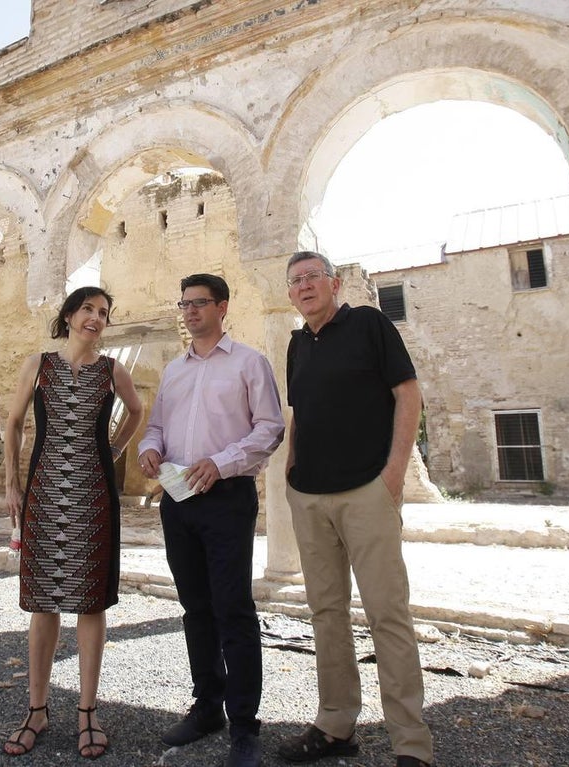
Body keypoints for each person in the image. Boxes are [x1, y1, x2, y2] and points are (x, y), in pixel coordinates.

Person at [278, 252, 434, 767]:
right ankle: (336, 723)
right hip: (311, 495)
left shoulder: (368, 323)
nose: (304, 286)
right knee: (326, 614)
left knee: (387, 614)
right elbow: (301, 411)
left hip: (367, 489)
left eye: (312, 277)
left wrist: (392, 475)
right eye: (295, 280)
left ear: (334, 283)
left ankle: (411, 745)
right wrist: (293, 468)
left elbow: (408, 395)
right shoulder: (297, 344)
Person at [137, 273, 284, 767]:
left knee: (233, 610)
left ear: (223, 307)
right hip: (178, 500)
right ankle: (207, 708)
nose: (190, 311)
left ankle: (245, 726)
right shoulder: (174, 371)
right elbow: (154, 425)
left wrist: (220, 463)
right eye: (185, 304)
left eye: (200, 303)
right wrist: (150, 448)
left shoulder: (249, 363)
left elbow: (270, 428)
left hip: (226, 497)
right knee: (195, 608)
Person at [1, 286, 143, 759]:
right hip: (44, 493)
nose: (96, 318)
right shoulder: (38, 365)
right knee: (43, 602)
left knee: (90, 602)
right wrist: (12, 484)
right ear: (69, 314)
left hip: (94, 494)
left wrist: (114, 452)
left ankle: (87, 711)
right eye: (88, 309)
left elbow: (137, 412)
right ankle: (36, 710)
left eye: (104, 312)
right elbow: (14, 422)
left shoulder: (111, 370)